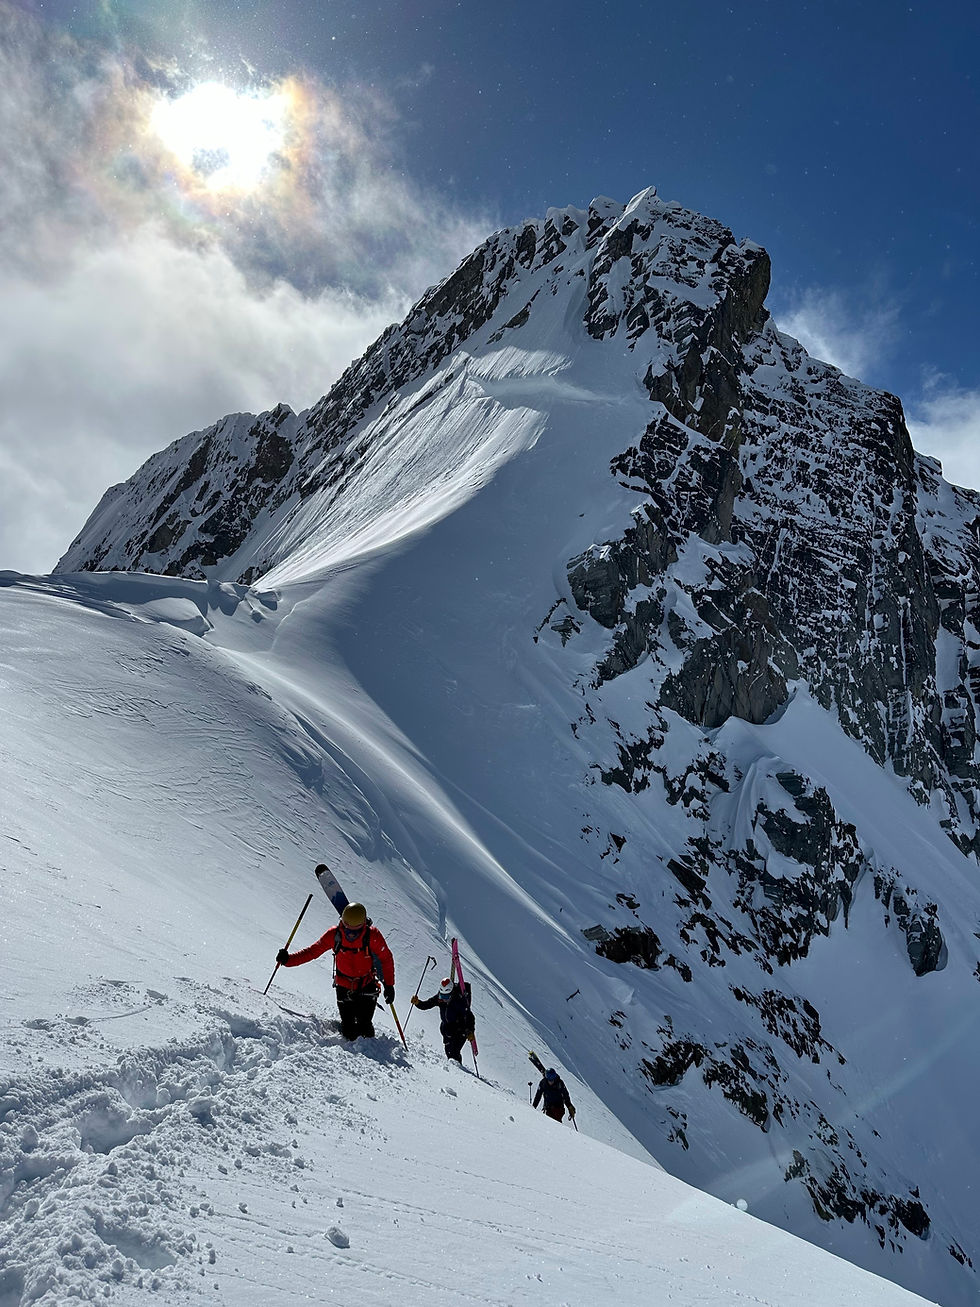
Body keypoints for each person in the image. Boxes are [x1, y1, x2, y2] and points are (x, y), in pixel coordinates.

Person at [277, 902, 395, 1041]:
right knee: (349, 1030)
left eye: (355, 931)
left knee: (365, 1029)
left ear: (363, 926)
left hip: (366, 986)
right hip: (344, 987)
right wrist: (288, 960)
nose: (350, 934)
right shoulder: (334, 935)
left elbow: (386, 958)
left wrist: (389, 985)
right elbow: (312, 952)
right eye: (347, 929)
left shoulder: (372, 935)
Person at [411, 976, 475, 1063]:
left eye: (446, 997)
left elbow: (469, 1016)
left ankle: (458, 1071)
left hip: (460, 1029)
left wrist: (470, 1031)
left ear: (451, 993)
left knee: (454, 1052)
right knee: (448, 1052)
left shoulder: (459, 1000)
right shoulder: (439, 998)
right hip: (447, 1029)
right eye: (442, 996)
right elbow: (427, 1004)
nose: (444, 999)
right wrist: (418, 1003)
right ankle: (455, 1070)